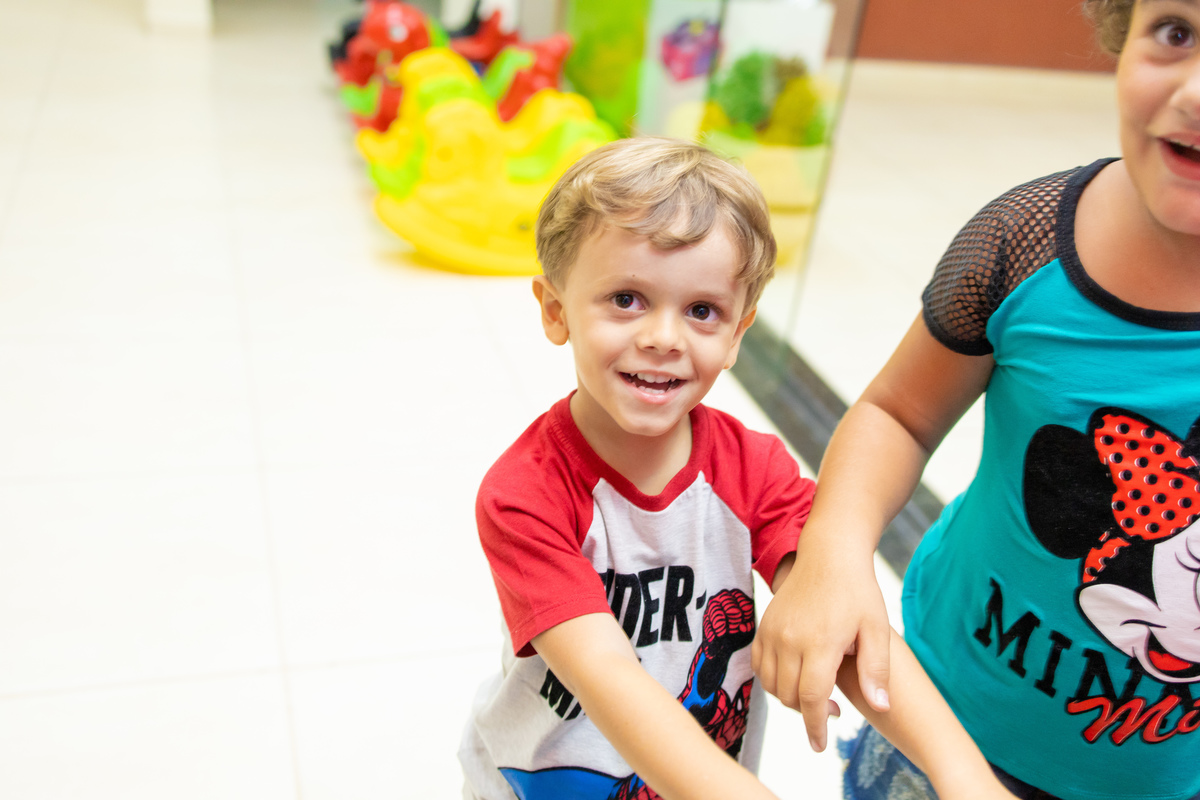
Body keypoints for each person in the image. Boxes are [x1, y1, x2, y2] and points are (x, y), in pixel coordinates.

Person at [458, 136, 1019, 800]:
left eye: (701, 311)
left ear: (737, 335)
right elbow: (610, 681)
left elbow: (838, 617)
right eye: (627, 299)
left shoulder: (754, 470)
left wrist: (962, 777)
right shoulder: (526, 496)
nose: (663, 338)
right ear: (555, 311)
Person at [752, 1, 1200, 798]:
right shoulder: (1022, 240)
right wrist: (833, 552)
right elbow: (899, 413)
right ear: (1120, 34)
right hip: (944, 719)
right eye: (1176, 32)